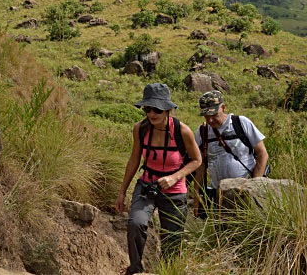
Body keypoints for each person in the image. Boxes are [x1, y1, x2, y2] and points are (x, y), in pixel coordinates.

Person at [115, 83, 202, 274]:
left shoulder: (182, 131)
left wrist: (174, 177)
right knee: (136, 224)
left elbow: (197, 161)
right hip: (147, 185)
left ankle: (166, 270)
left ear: (168, 109)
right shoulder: (140, 129)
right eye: (148, 109)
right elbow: (133, 160)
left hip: (175, 191)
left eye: (157, 109)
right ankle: (135, 269)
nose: (152, 114)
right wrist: (122, 192)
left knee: (172, 240)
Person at [192, 90, 269, 217]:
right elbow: (200, 165)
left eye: (214, 114)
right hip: (219, 195)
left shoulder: (241, 123)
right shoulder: (202, 132)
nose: (210, 120)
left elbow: (262, 154)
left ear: (223, 107)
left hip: (245, 192)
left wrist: (255, 185)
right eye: (206, 116)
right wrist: (197, 197)